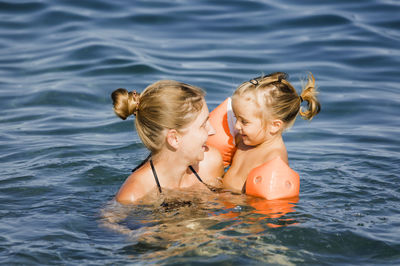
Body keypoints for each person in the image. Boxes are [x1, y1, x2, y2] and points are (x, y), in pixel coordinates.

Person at [111, 80, 224, 204]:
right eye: (203, 125)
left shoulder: (210, 164)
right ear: (174, 138)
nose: (212, 131)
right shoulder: (134, 195)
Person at [222, 72, 321, 192]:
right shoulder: (244, 139)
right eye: (235, 117)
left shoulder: (274, 158)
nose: (237, 126)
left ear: (274, 126)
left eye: (244, 121)